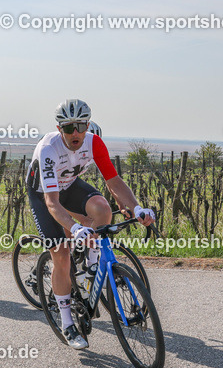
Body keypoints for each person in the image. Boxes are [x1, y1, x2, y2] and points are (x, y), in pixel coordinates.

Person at [27, 100, 154, 350]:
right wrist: (75, 228)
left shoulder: (94, 141)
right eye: (68, 128)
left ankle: (91, 261)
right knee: (61, 253)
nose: (75, 133)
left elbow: (114, 182)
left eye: (80, 126)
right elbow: (52, 203)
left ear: (88, 125)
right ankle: (67, 323)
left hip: (69, 185)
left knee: (102, 209)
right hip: (44, 194)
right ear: (59, 128)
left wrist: (137, 208)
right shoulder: (48, 149)